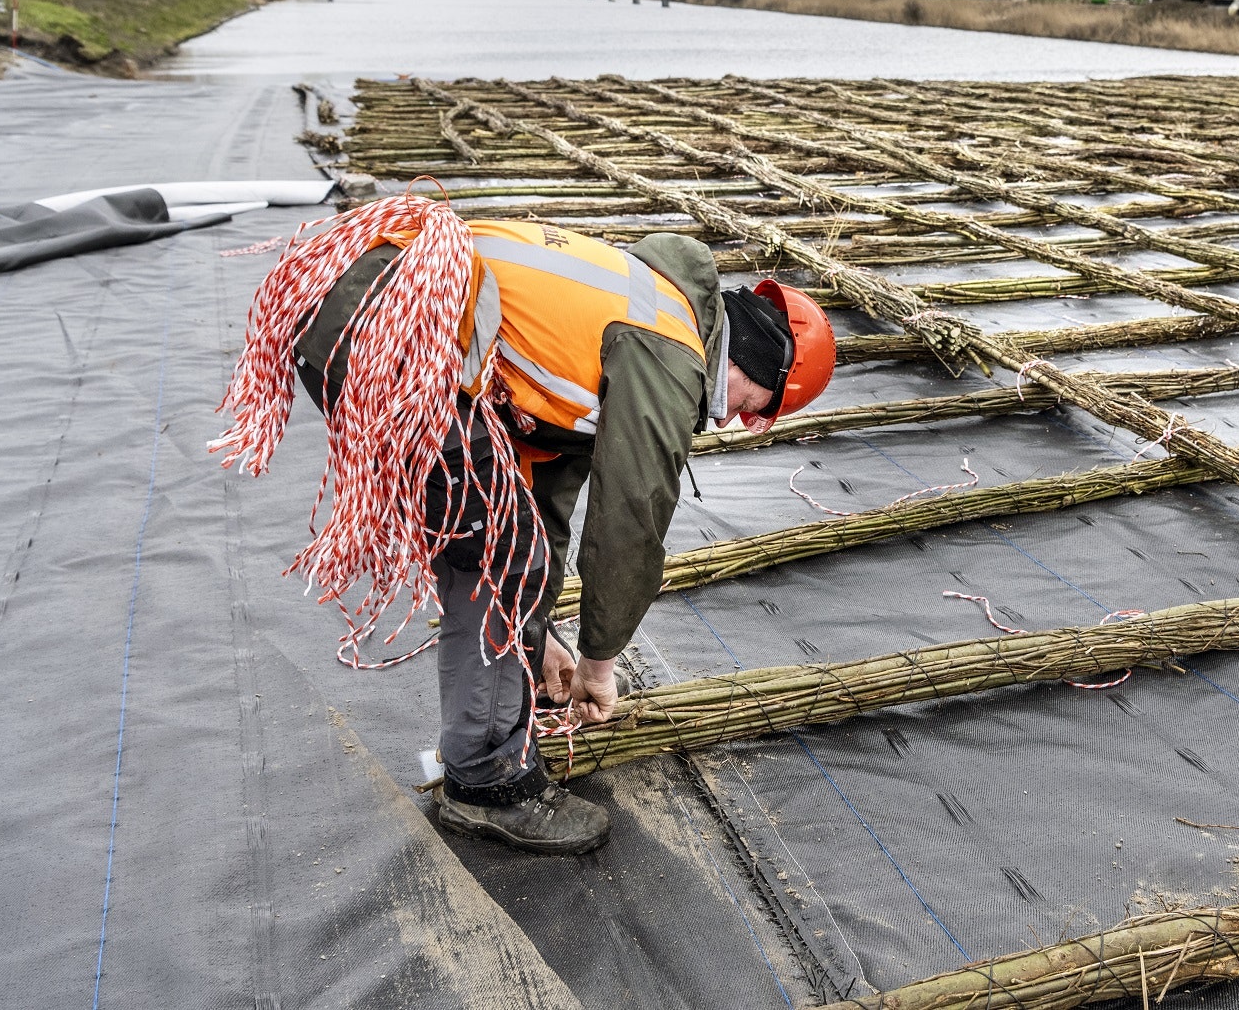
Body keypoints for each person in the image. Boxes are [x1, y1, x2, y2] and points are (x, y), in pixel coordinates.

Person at [214, 196, 834, 854]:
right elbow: (631, 522)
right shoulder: (670, 351)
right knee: (499, 555)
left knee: (505, 539)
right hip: (389, 325)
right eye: (753, 407)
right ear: (758, 368)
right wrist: (599, 663)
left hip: (367, 308)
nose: (734, 419)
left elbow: (543, 500)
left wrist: (540, 643)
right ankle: (487, 784)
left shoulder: (644, 307)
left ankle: (500, 719)